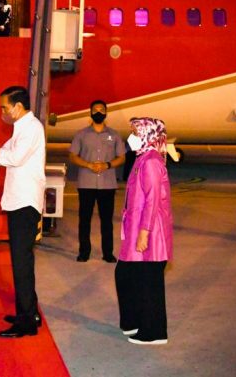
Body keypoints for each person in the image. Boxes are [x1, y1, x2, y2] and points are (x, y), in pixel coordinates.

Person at [0, 86, 46, 338]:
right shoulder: (21, 128)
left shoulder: (32, 128)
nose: (2, 112)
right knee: (22, 261)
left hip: (25, 203)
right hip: (18, 201)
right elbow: (2, 156)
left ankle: (26, 322)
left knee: (21, 263)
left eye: (4, 107)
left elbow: (12, 158)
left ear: (17, 106)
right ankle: (30, 313)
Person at [115, 117, 173, 345]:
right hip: (135, 227)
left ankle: (154, 332)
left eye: (136, 132)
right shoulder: (142, 158)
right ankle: (133, 321)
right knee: (127, 274)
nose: (132, 137)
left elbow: (152, 201)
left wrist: (144, 232)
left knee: (149, 281)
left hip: (148, 231)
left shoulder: (151, 162)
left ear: (148, 135)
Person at [69, 100, 126, 263]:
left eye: (102, 110)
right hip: (86, 182)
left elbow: (121, 157)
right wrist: (87, 164)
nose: (99, 112)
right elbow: (73, 155)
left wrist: (107, 165)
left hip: (107, 184)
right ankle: (84, 252)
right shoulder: (81, 134)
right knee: (84, 219)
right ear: (91, 113)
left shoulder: (114, 135)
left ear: (106, 113)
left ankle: (108, 253)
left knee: (107, 220)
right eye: (96, 110)